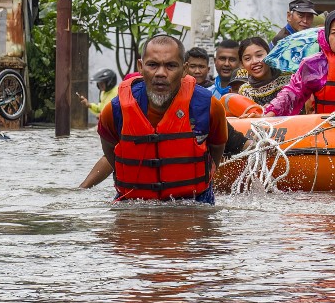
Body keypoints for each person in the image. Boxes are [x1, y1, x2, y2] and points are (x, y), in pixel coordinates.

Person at [94, 34, 244, 204]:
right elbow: (110, 149)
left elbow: (217, 146)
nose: (160, 73)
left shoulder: (208, 106)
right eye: (152, 65)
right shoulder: (115, 110)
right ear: (140, 67)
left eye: (171, 66)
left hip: (194, 201)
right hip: (133, 201)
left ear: (184, 70)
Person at [230, 37, 293, 108]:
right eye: (247, 58)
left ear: (269, 55)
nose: (254, 61)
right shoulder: (245, 91)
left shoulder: (290, 78)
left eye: (259, 55)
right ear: (242, 64)